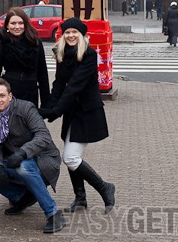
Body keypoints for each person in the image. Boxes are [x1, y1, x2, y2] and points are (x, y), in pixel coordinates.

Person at [39, 17, 115, 215]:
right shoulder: (62, 53)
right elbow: (59, 84)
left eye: (75, 32)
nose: (71, 35)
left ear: (82, 35)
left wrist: (55, 111)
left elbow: (74, 87)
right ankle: (80, 198)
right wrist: (47, 107)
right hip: (72, 112)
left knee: (70, 157)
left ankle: (105, 187)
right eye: (67, 32)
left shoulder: (88, 54)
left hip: (87, 112)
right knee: (72, 155)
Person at [0, 78, 65, 234]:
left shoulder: (26, 108)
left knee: (23, 167)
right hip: (15, 160)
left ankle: (53, 213)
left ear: (10, 96)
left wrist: (22, 153)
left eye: (2, 95)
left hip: (43, 159)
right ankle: (23, 197)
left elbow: (43, 136)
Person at [0, 7, 50, 108]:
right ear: (7, 25)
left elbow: (42, 74)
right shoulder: (1, 45)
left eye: (20, 23)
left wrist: (46, 103)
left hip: (30, 93)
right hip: (10, 93)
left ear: (25, 24)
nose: (17, 27)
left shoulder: (35, 43)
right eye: (13, 23)